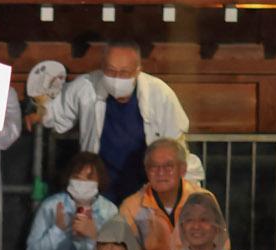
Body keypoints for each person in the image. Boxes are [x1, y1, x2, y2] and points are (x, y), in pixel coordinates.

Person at [44, 41, 193, 202]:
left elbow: (177, 148)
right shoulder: (86, 86)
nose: (117, 78)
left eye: (124, 72)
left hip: (145, 193)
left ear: (138, 70)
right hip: (98, 192)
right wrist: (39, 110)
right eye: (111, 71)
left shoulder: (160, 94)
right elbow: (54, 114)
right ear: (102, 68)